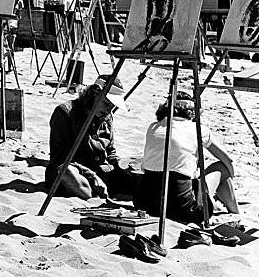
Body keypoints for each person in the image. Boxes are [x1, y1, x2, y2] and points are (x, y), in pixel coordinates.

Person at [133, 90, 239, 224]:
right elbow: (228, 160)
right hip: (181, 209)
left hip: (144, 202)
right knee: (221, 168)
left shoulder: (153, 127)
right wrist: (230, 176)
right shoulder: (199, 129)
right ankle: (236, 213)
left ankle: (227, 208)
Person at [46, 76, 140, 199]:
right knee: (67, 172)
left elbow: (110, 151)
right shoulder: (65, 112)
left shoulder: (106, 116)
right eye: (106, 103)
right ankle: (91, 193)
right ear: (94, 93)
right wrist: (91, 175)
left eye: (112, 106)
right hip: (73, 171)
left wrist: (121, 165)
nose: (108, 110)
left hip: (99, 171)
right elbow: (59, 158)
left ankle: (98, 192)